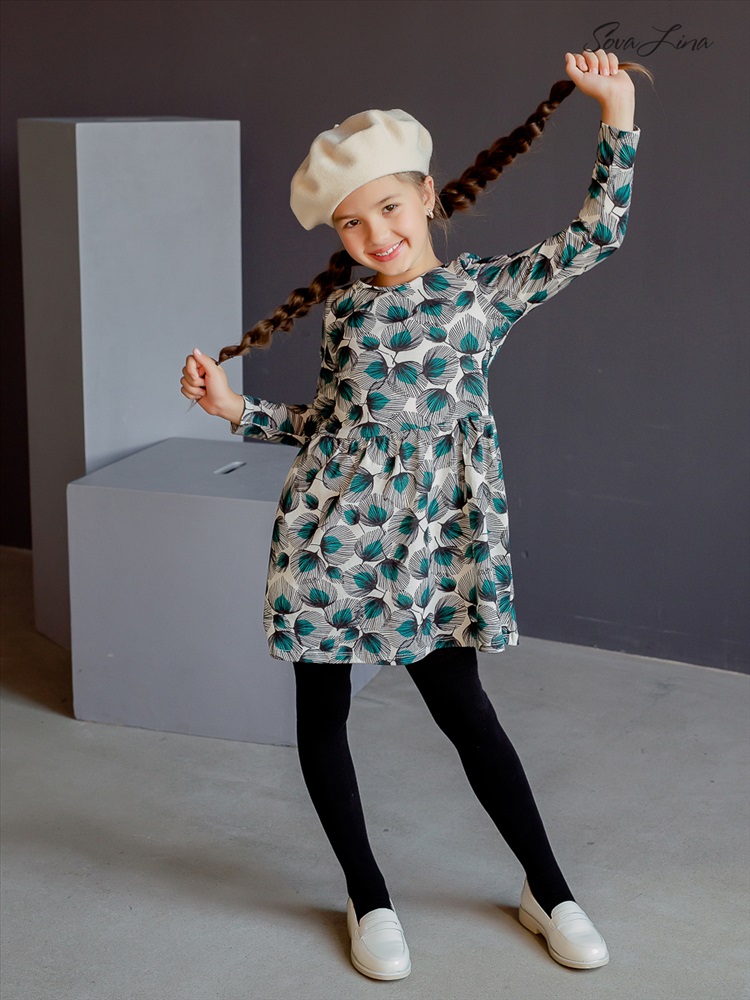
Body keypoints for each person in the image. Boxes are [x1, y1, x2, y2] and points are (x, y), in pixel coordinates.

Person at [181, 49, 645, 981]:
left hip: (431, 546)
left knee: (465, 713)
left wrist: (618, 110)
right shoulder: (345, 316)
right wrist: (238, 411)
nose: (374, 234)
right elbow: (329, 426)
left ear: (428, 196)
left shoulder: (481, 294)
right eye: (351, 222)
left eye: (388, 208)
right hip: (330, 538)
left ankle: (549, 889)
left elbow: (596, 236)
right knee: (323, 714)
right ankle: (368, 894)